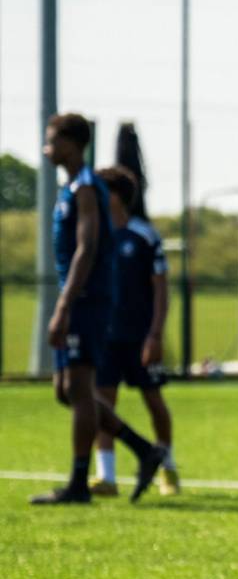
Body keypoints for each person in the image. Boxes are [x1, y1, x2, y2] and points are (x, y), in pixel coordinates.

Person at [31, 114, 167, 505]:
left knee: (79, 389)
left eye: (52, 141)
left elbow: (86, 248)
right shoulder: (72, 186)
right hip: (80, 299)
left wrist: (64, 305)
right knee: (68, 391)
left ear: (72, 145)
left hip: (87, 301)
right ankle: (143, 449)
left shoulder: (88, 188)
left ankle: (78, 483)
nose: (47, 149)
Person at [91, 166, 181, 497]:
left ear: (114, 195)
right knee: (103, 402)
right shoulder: (95, 234)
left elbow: (160, 288)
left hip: (140, 337)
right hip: (105, 337)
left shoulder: (144, 235)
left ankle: (168, 468)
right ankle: (107, 475)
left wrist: (155, 335)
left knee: (154, 401)